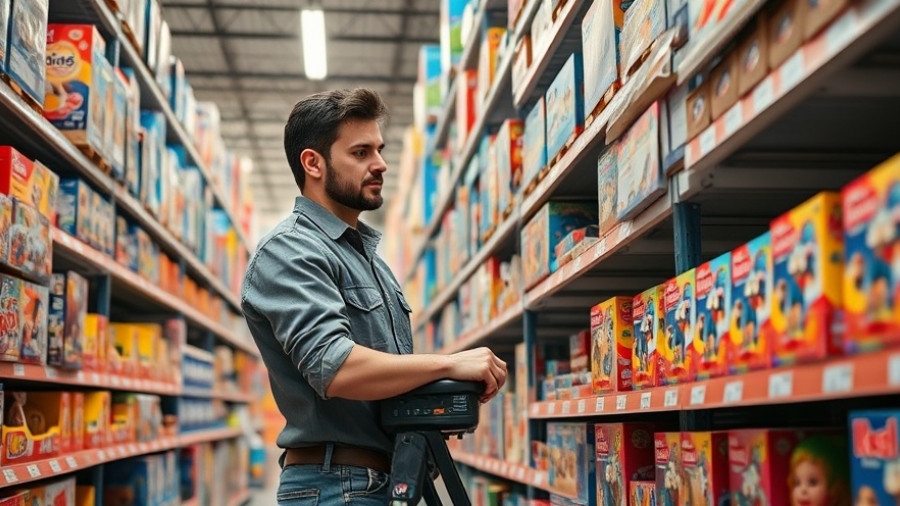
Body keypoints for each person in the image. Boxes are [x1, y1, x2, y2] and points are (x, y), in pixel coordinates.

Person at [240, 88, 508, 505]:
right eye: (361, 152)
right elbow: (336, 368)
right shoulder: (289, 250)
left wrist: (450, 386)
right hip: (336, 486)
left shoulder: (372, 262)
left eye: (379, 150)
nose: (380, 164)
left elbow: (388, 379)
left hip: (384, 480)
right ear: (313, 163)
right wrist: (449, 363)